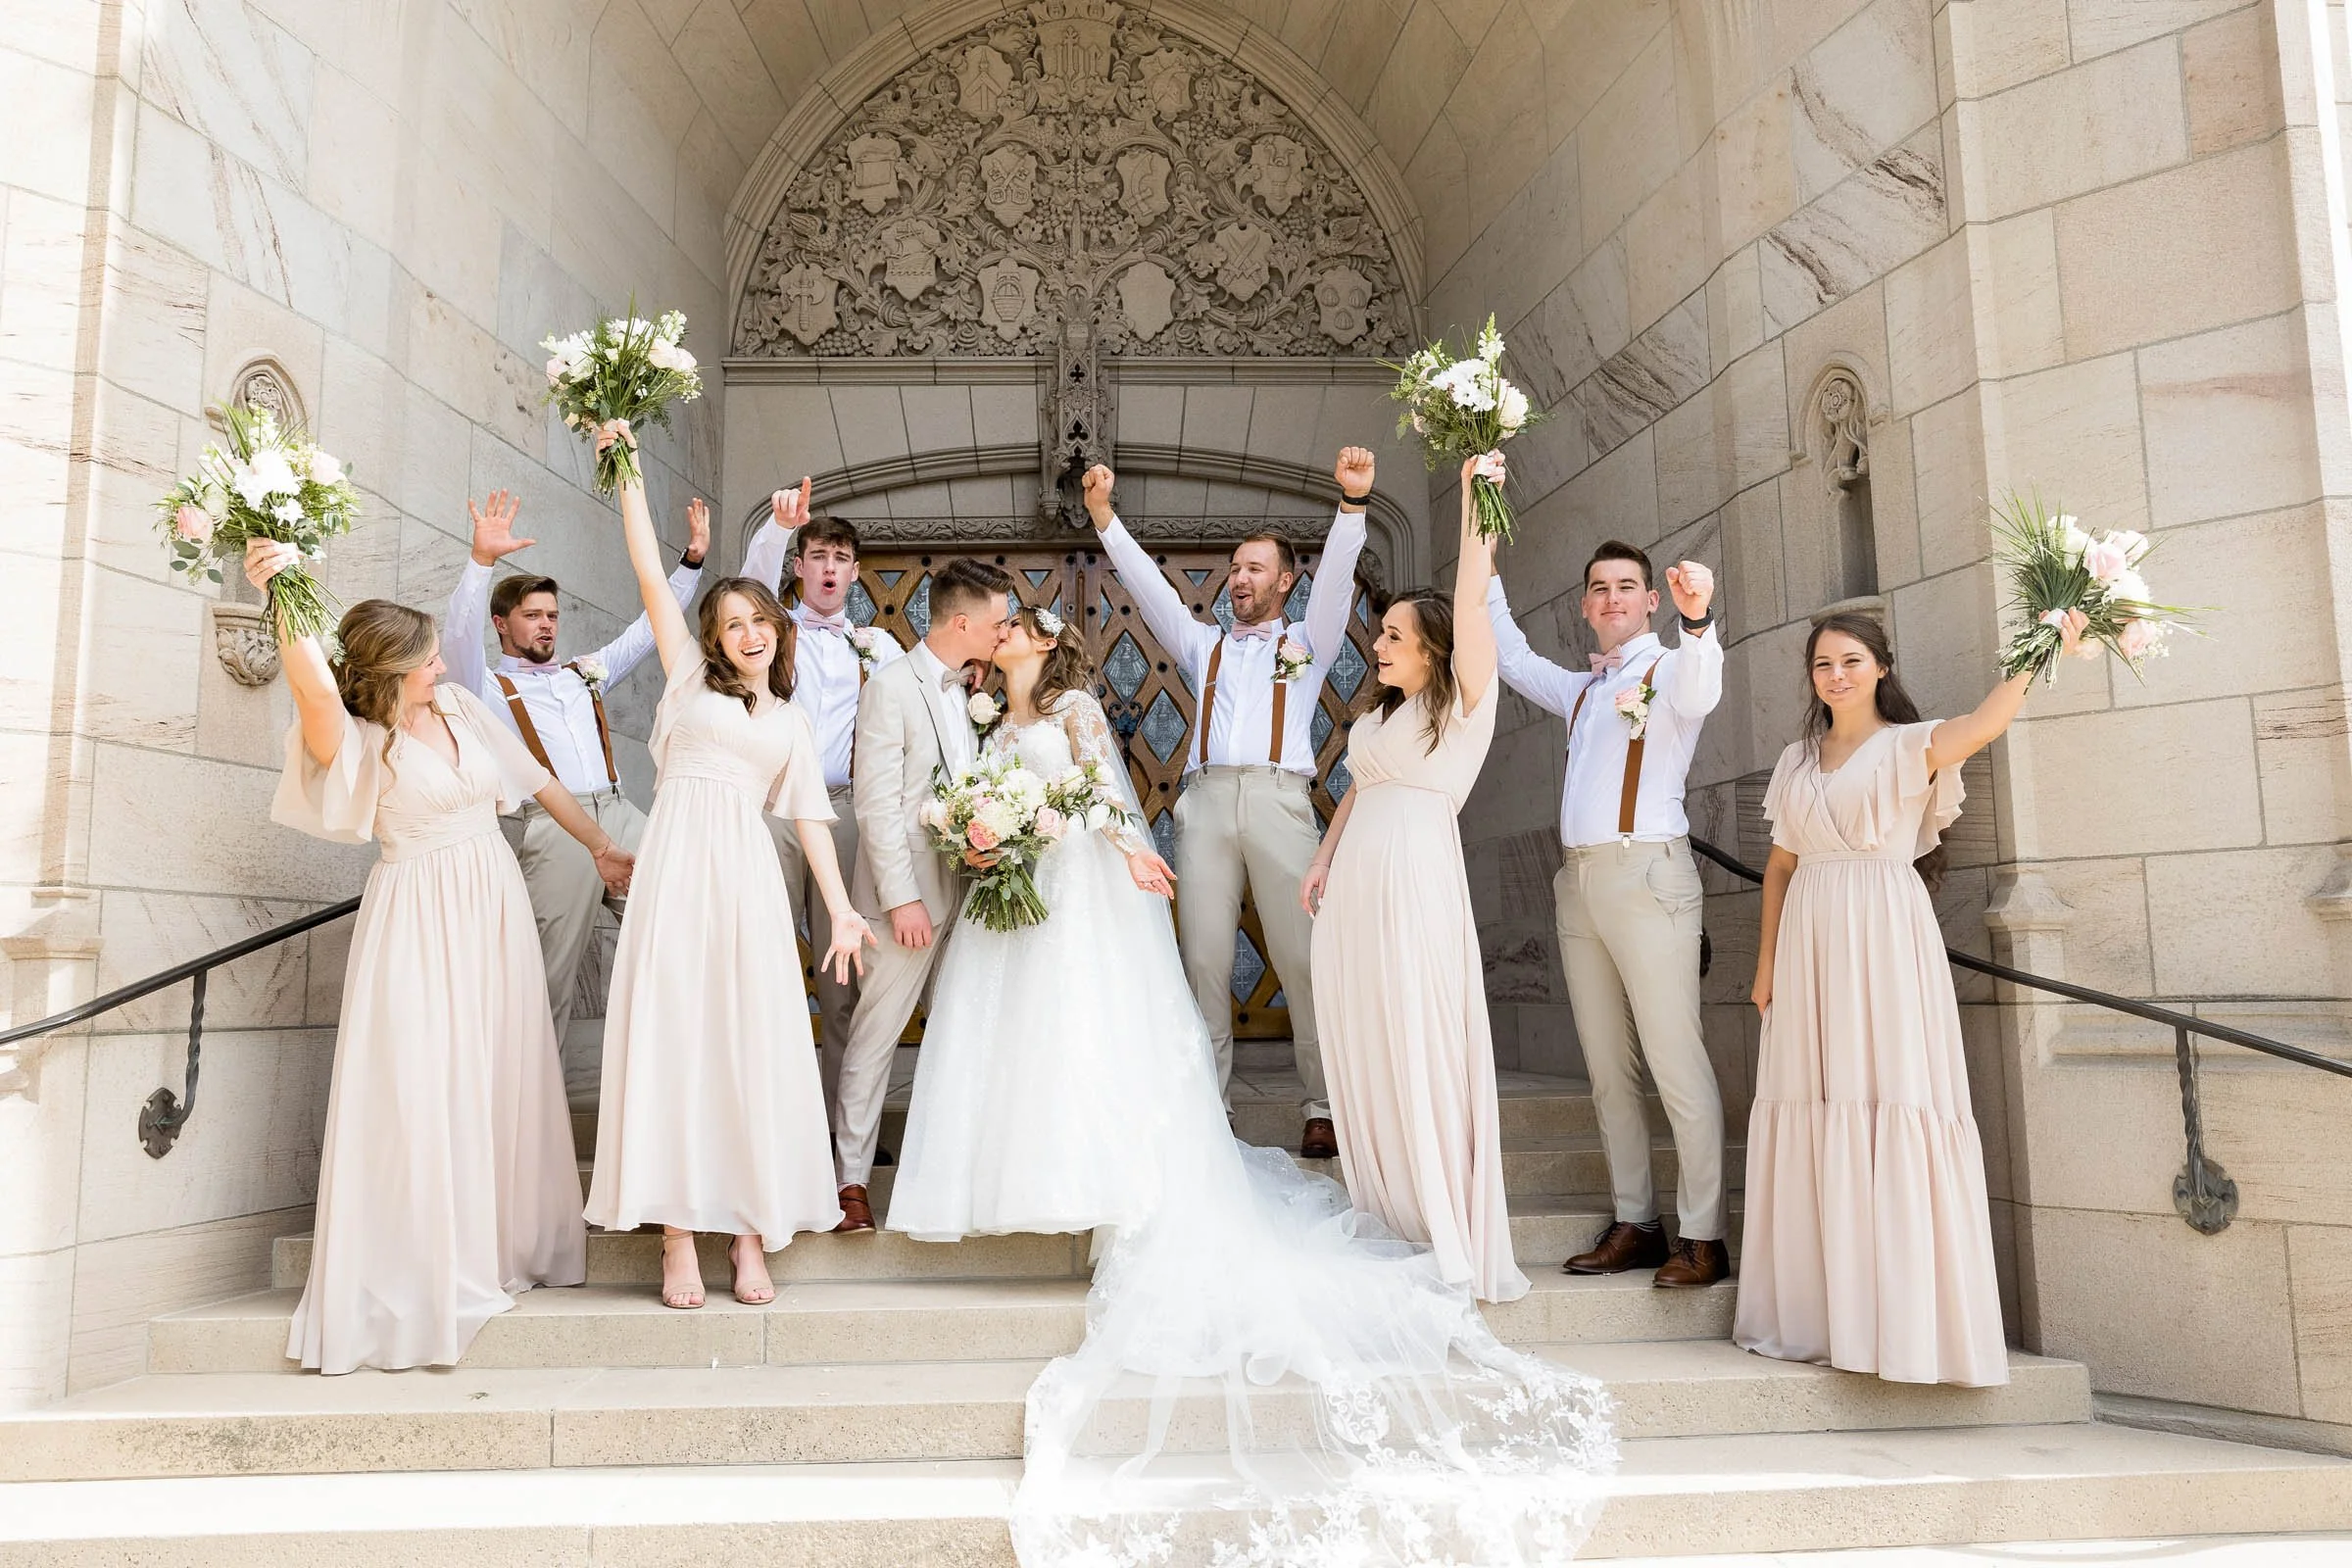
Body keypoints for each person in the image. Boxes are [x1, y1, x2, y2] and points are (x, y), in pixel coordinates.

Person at [251, 541, 620, 1373]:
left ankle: (500, 1240)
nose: (445, 661)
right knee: (424, 1078)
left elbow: (537, 778)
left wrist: (600, 847)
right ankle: (423, 1256)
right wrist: (284, 589)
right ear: (391, 670)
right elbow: (312, 682)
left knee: (498, 1068)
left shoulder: (459, 708)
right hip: (418, 916)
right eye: (428, 657)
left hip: (491, 905)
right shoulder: (355, 736)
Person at [1738, 611, 2080, 1387]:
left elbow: (1990, 721)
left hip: (1885, 940)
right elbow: (1781, 869)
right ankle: (1822, 1313)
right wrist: (1766, 968)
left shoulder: (1909, 745)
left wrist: (2047, 638)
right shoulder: (1796, 759)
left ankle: (1902, 1323)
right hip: (1810, 943)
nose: (1837, 676)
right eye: (1823, 665)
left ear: (1882, 667)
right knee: (1814, 1106)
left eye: (1851, 660)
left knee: (1890, 1098)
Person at [580, 420, 872, 1310]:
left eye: (758, 621)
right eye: (732, 622)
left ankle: (747, 1234)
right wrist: (622, 460)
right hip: (677, 874)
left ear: (777, 632)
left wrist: (842, 908)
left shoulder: (789, 719)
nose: (747, 632)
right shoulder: (684, 680)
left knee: (746, 1044)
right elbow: (642, 564)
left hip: (745, 877)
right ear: (714, 635)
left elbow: (813, 820)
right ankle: (676, 1236)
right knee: (677, 1038)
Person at [1082, 449, 1374, 1159]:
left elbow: (1336, 585)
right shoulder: (1203, 646)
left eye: (1254, 569)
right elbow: (1150, 590)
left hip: (1279, 800)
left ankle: (1323, 1104)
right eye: (1235, 569)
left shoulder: (1309, 638)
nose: (1239, 579)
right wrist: (1103, 520)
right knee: (1204, 960)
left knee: (1304, 958)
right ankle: (1207, 1108)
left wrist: (1353, 507)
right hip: (1207, 804)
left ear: (1284, 580)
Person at [886, 604, 1182, 1241]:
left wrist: (1134, 853)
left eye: (1013, 628)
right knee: (1002, 1020)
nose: (1001, 636)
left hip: (1071, 882)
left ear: (1046, 641)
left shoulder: (1073, 706)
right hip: (1006, 883)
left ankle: (1080, 1182)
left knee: (1066, 1015)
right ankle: (1000, 1187)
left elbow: (1101, 789)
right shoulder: (986, 720)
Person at [1300, 454, 1521, 1304]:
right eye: (1380, 633)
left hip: (1418, 879)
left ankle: (1437, 1211)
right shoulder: (1384, 715)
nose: (1379, 644)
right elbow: (1361, 787)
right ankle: (1385, 1200)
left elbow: (1471, 597)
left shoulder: (1466, 700)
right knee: (1364, 1033)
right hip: (1356, 881)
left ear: (1435, 650)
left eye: (1394, 635)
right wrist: (1323, 857)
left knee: (1420, 1030)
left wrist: (1474, 496)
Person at [1486, 539, 1730, 1289]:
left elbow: (1699, 694)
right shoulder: (1585, 689)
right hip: (1580, 885)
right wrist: (1482, 559)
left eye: (1628, 587)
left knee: (1674, 1058)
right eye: (1600, 588)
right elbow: (1512, 657)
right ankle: (1638, 1221)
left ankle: (1704, 1235)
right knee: (1606, 1066)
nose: (1613, 598)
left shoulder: (1671, 666)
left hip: (1649, 874)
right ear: (1586, 605)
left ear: (1651, 600)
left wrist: (1700, 619)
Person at [445, 489, 706, 1045]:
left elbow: (647, 631)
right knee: (547, 979)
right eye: (532, 616)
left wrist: (691, 564)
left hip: (619, 811)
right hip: (555, 825)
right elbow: (458, 638)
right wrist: (481, 562)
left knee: (686, 927)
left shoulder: (584, 672)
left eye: (552, 616)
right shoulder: (487, 686)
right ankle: (532, 1116)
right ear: (501, 623)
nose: (546, 626)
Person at [833, 556, 1016, 1232]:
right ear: (963, 621)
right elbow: (878, 806)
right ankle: (850, 1182)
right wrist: (900, 897)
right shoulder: (890, 687)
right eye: (999, 622)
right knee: (876, 1035)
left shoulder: (976, 691)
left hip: (973, 897)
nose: (1006, 632)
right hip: (905, 899)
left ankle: (956, 1177)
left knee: (967, 1034)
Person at [740, 479, 904, 1088]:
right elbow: (751, 583)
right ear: (800, 567)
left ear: (855, 573)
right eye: (818, 557)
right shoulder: (772, 630)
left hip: (843, 813)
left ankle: (840, 1128)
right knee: (766, 954)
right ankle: (768, 1110)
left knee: (843, 970)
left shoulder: (877, 647)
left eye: (840, 559)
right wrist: (780, 525)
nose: (829, 569)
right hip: (774, 808)